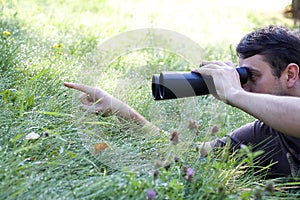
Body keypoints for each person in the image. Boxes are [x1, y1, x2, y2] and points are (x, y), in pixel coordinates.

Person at [64, 25, 300, 178]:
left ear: (290, 74)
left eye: (253, 76)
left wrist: (236, 94)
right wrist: (120, 109)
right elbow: (188, 154)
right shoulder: (264, 134)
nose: (244, 85)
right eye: (241, 76)